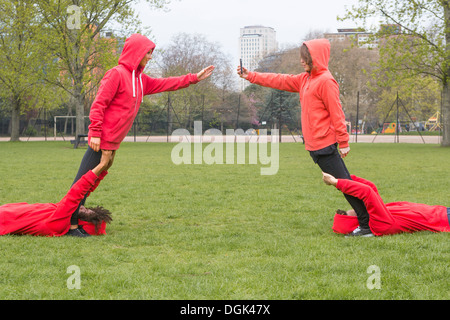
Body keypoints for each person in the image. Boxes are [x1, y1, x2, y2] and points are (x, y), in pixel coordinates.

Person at [69, 33, 215, 233]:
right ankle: (71, 225)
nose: (150, 56)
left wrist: (194, 78)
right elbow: (98, 104)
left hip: (113, 142)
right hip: (101, 139)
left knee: (90, 180)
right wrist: (94, 132)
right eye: (148, 52)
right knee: (82, 181)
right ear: (137, 52)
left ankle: (77, 216)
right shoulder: (116, 74)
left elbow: (166, 83)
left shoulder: (140, 80)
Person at [238, 38, 371, 236]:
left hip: (325, 144)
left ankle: (366, 225)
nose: (302, 61)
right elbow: (279, 80)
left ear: (316, 58)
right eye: (302, 57)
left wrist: (343, 141)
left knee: (344, 184)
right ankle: (365, 219)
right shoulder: (305, 79)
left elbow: (337, 113)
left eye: (306, 58)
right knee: (344, 183)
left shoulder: (326, 81)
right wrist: (251, 76)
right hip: (314, 146)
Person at [0, 150, 115, 237]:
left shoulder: (60, 222)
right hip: (8, 213)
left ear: (82, 223)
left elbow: (77, 192)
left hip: (4, 218)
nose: (83, 207)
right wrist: (107, 165)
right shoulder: (62, 219)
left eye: (85, 211)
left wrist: (101, 165)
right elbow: (87, 190)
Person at [322, 172, 450, 236]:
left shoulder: (376, 215)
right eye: (348, 213)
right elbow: (367, 192)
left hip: (441, 212)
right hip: (444, 219)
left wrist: (344, 176)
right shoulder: (378, 224)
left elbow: (371, 187)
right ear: (355, 221)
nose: (353, 208)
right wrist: (336, 182)